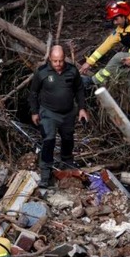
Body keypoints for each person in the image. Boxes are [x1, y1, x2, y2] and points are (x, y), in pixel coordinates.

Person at [79, 0, 130, 119]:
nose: (114, 22)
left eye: (116, 19)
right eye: (113, 20)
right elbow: (106, 45)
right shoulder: (120, 30)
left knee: (118, 56)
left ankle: (94, 81)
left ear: (124, 16)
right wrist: (89, 62)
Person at [29, 45, 89, 188]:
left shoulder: (72, 71)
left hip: (68, 113)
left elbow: (79, 90)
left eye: (60, 61)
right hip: (48, 112)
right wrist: (34, 112)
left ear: (64, 58)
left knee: (68, 138)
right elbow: (33, 93)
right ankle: (45, 173)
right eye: (55, 61)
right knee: (49, 139)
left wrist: (82, 108)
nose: (58, 64)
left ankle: (67, 162)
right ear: (50, 58)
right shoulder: (42, 72)